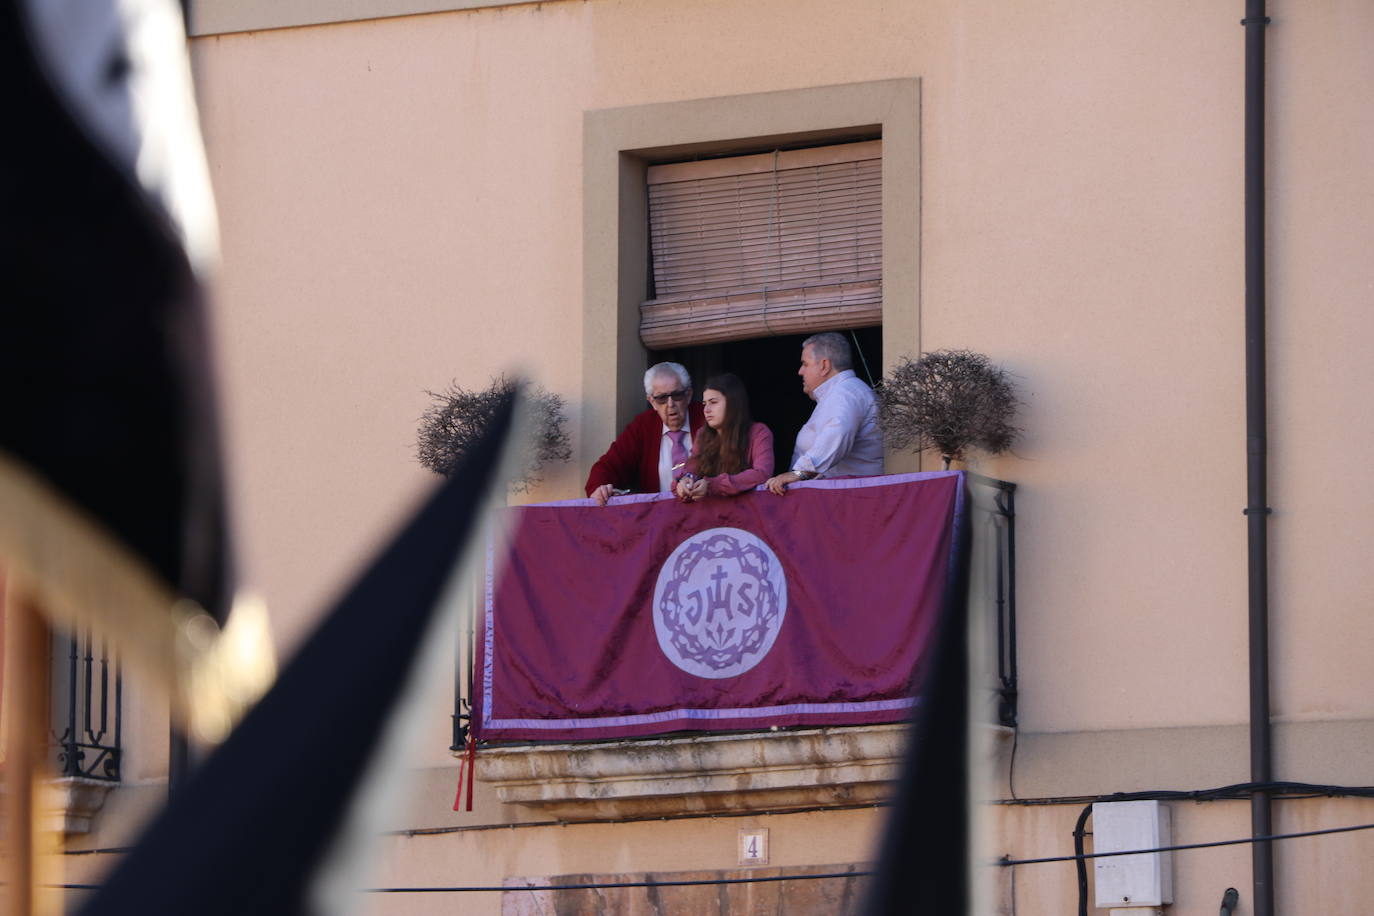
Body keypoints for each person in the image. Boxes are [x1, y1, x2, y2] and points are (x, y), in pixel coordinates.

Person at [765, 331, 883, 495]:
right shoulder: (841, 393)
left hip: (851, 500)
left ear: (824, 365)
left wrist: (799, 473)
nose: (800, 371)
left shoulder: (845, 393)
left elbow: (837, 432)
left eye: (805, 364)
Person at [585, 362, 705, 506]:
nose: (670, 404)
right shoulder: (643, 426)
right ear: (652, 401)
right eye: (662, 398)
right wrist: (600, 488)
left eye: (677, 395)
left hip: (707, 513)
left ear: (688, 395)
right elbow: (609, 465)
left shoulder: (706, 418)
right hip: (660, 519)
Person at [674, 373, 774, 502]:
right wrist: (685, 482)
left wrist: (711, 485)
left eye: (713, 402)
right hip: (708, 516)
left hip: (746, 514)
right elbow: (691, 470)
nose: (706, 409)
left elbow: (762, 474)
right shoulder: (702, 434)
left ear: (733, 403)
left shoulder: (758, 432)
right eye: (704, 404)